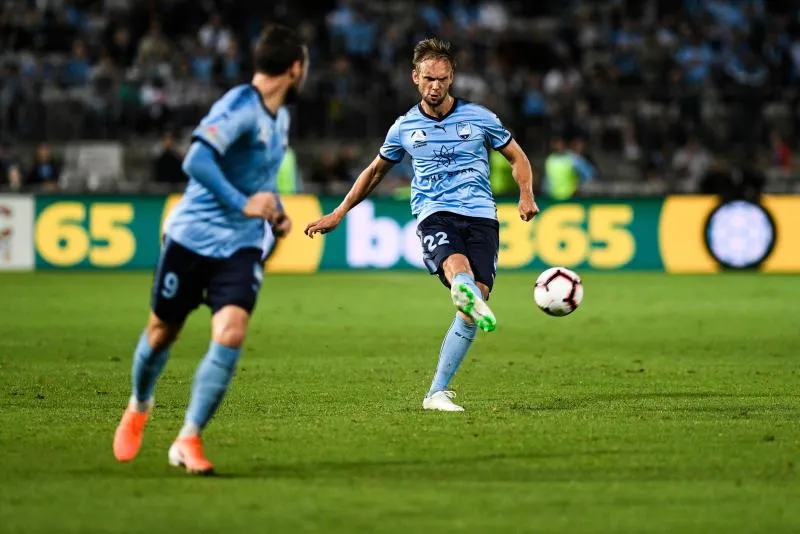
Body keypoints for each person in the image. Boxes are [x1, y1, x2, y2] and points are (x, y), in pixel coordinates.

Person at [113, 24, 308, 474]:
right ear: (295, 68)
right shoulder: (240, 105)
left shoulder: (280, 118)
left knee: (232, 331)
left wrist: (274, 211)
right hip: (192, 238)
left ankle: (188, 438)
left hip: (240, 246)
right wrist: (242, 203)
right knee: (162, 332)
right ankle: (140, 403)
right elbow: (196, 159)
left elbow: (261, 180)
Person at [305, 38, 538, 412]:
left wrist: (526, 194)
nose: (435, 86)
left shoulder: (480, 117)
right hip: (434, 212)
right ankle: (462, 287)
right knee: (458, 268)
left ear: (452, 77)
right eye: (429, 78)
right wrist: (339, 212)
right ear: (415, 77)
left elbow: (517, 156)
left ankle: (437, 392)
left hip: (482, 216)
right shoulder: (404, 127)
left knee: (474, 302)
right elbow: (375, 172)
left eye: (442, 79)